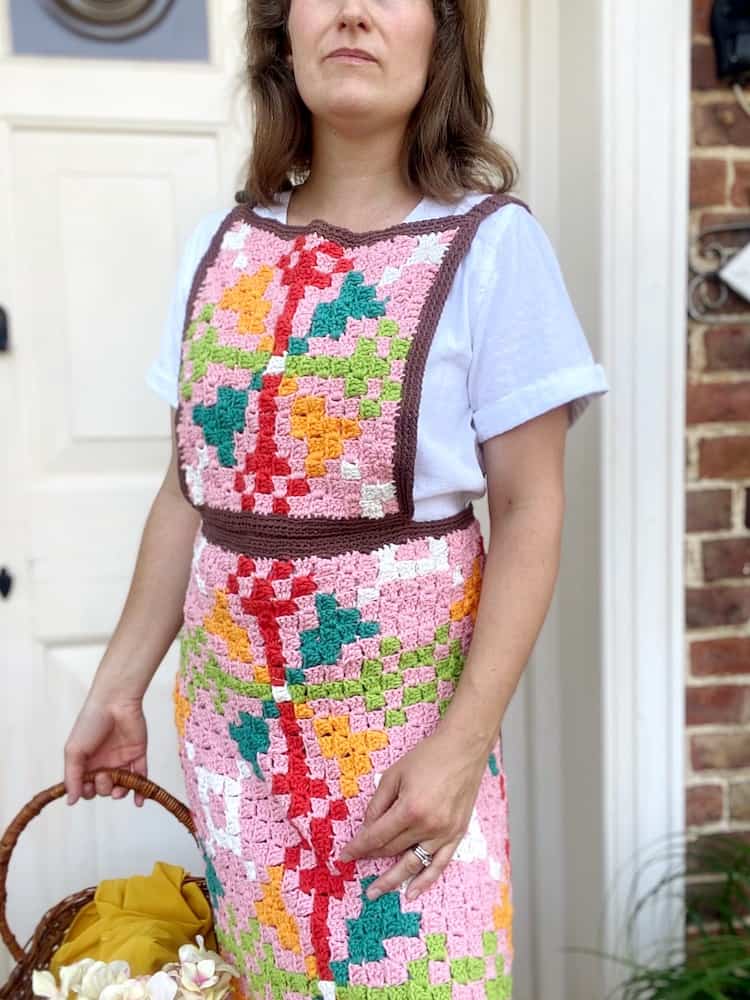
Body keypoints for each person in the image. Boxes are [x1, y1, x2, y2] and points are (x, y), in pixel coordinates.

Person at [63, 1, 609, 997]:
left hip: (405, 764)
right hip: (241, 749)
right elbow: (191, 486)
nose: (353, 11)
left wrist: (462, 746)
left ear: (442, 38)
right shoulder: (221, 245)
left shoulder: (492, 249)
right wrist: (117, 680)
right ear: (281, 33)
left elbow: (533, 511)